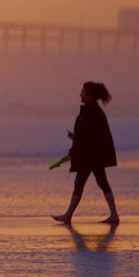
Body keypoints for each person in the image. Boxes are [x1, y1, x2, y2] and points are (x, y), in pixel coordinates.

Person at [52, 81, 119, 225]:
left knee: (86, 183)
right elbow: (87, 134)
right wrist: (76, 140)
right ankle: (112, 214)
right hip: (91, 155)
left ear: (89, 95)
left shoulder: (94, 113)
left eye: (83, 92)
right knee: (96, 183)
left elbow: (94, 137)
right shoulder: (89, 111)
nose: (80, 94)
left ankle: (69, 215)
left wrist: (77, 138)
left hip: (92, 156)